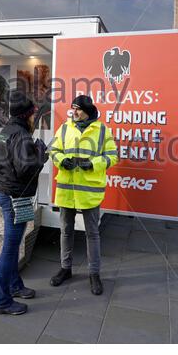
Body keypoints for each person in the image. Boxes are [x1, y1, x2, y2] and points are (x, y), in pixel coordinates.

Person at [49, 95, 118, 295]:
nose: (74, 112)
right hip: (67, 190)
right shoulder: (64, 128)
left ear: (88, 110)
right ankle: (65, 269)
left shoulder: (103, 130)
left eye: (78, 109)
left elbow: (112, 156)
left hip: (89, 193)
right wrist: (62, 160)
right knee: (66, 231)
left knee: (92, 234)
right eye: (73, 108)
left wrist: (92, 164)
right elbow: (53, 150)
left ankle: (94, 274)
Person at [0, 90, 47, 315]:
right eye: (34, 114)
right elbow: (26, 169)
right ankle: (2, 301)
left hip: (6, 193)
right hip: (17, 197)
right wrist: (41, 154)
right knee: (10, 248)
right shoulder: (23, 136)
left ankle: (15, 286)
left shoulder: (6, 131)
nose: (36, 117)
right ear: (27, 115)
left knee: (15, 244)